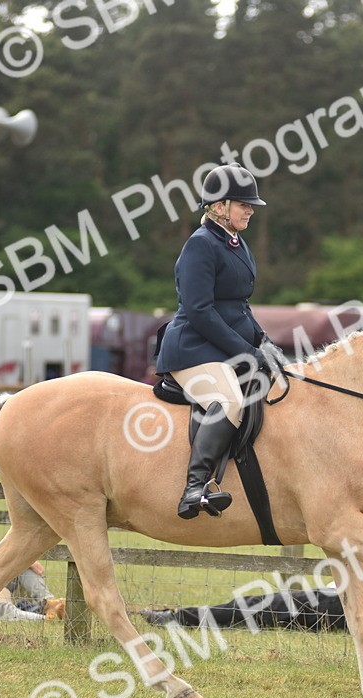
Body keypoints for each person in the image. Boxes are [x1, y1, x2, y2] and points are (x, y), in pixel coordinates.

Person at [154, 162, 278, 520]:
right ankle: (195, 487)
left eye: (250, 204)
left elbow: (238, 307)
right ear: (219, 206)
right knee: (228, 399)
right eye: (243, 204)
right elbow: (200, 311)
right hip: (192, 348)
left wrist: (263, 342)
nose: (250, 210)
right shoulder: (201, 245)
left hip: (219, 346)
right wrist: (248, 352)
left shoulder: (235, 242)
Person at [140, 579, 363, 633]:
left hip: (336, 605)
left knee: (254, 609)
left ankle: (179, 619)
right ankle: (183, 619)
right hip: (334, 600)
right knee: (256, 612)